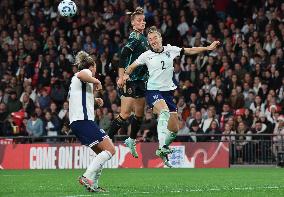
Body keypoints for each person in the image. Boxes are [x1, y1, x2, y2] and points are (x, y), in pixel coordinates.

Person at [123, 26, 220, 167]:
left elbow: (190, 50)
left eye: (155, 38)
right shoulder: (146, 55)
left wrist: (208, 49)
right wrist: (126, 75)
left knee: (174, 129)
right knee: (163, 112)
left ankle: (164, 148)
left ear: (160, 38)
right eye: (150, 39)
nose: (153, 41)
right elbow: (131, 67)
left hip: (167, 93)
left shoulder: (171, 50)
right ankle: (161, 147)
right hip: (153, 90)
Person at [69, 51, 115, 192]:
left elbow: (79, 99)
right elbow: (83, 74)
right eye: (95, 67)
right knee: (110, 149)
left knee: (101, 152)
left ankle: (93, 185)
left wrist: (95, 101)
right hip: (83, 121)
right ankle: (86, 177)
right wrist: (98, 81)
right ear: (92, 66)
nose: (95, 71)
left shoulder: (80, 83)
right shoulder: (84, 73)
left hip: (79, 121)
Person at [108, 7, 149, 158]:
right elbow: (123, 56)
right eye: (139, 20)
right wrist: (121, 76)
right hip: (130, 79)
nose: (142, 22)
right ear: (133, 24)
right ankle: (106, 139)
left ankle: (131, 140)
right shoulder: (135, 37)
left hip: (141, 81)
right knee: (125, 114)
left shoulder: (145, 39)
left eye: (143, 20)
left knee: (139, 115)